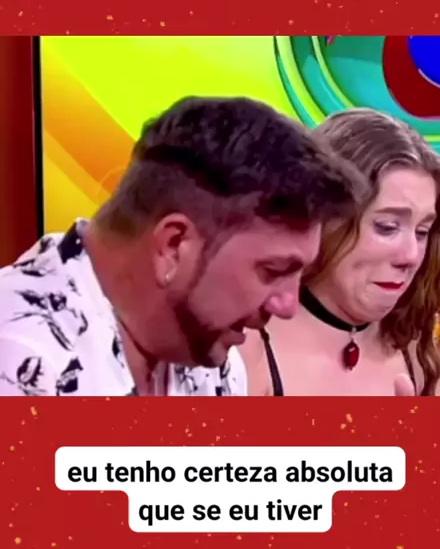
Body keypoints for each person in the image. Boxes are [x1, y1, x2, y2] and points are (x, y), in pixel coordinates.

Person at [0, 96, 360, 397]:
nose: (287, 305)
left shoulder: (211, 358)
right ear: (174, 245)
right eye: (273, 270)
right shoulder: (19, 355)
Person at [242, 107, 440, 397]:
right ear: (320, 219)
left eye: (422, 232)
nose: (410, 256)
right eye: (387, 227)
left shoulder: (413, 339)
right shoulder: (241, 345)